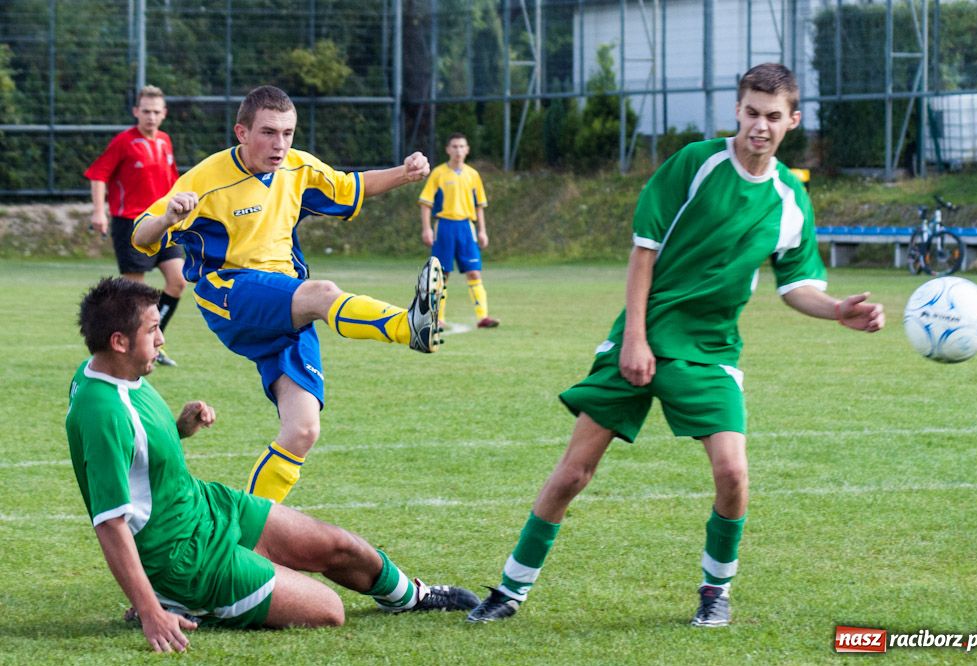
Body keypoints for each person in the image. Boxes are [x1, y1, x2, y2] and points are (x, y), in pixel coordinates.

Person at [465, 63, 885, 627]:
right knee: (573, 474)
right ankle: (509, 591)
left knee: (733, 474)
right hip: (645, 332)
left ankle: (716, 592)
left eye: (773, 117)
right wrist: (634, 339)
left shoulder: (790, 198)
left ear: (793, 120)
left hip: (711, 349)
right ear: (738, 110)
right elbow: (644, 252)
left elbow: (796, 284)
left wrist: (835, 310)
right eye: (752, 113)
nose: (760, 126)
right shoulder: (696, 163)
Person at [66, 277, 478, 653]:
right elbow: (111, 524)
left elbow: (138, 455)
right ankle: (177, 600)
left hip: (206, 507)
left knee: (340, 546)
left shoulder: (113, 374)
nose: (161, 339)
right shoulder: (104, 411)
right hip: (184, 561)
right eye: (152, 330)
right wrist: (151, 610)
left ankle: (412, 597)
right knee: (328, 610)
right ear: (119, 341)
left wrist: (180, 428)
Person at [131, 85, 443, 505]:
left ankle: (249, 537)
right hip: (230, 292)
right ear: (241, 132)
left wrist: (403, 174)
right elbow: (141, 235)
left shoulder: (297, 168)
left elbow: (348, 186)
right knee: (321, 294)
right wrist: (169, 215)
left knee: (302, 430)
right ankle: (409, 328)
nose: (279, 144)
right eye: (268, 132)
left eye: (288, 133)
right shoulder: (205, 180)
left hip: (284, 302)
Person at [84, 85, 185, 367]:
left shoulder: (165, 141)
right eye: (145, 111)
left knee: (177, 282)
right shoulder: (124, 142)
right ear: (136, 112)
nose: (150, 117)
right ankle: (134, 348)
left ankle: (155, 339)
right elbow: (98, 175)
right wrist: (98, 212)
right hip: (130, 225)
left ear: (164, 114)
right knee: (136, 297)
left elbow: (173, 183)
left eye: (156, 112)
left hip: (164, 223)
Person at [418, 132, 499, 329]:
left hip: (466, 228)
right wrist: (427, 228)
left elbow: (479, 205)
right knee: (442, 274)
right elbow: (426, 203)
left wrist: (482, 231)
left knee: (474, 272)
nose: (458, 150)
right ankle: (437, 317)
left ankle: (483, 317)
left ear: (467, 150)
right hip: (444, 226)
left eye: (462, 146)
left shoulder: (473, 175)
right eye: (454, 146)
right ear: (448, 150)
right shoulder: (438, 173)